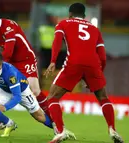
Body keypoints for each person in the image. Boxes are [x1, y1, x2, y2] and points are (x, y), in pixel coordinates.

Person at [44, 3, 124, 143]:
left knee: (52, 97)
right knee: (103, 98)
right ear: (84, 16)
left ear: (70, 14)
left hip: (73, 63)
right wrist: (98, 73)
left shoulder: (63, 23)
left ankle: (61, 131)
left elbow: (57, 42)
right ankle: (112, 129)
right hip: (93, 66)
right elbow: (103, 57)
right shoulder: (95, 29)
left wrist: (52, 61)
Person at [0, 6, 51, 135]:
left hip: (25, 59)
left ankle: (53, 118)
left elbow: (8, 53)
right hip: (8, 62)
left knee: (35, 90)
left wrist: (1, 67)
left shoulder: (9, 26)